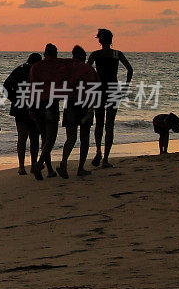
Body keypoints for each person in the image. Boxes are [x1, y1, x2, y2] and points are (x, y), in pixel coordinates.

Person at [88, 28, 133, 168]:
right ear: (111, 40)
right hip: (113, 89)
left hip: (100, 89)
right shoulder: (117, 54)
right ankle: (105, 158)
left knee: (99, 123)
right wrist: (126, 86)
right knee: (110, 125)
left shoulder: (96, 54)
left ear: (101, 40)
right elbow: (129, 69)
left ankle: (98, 152)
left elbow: (86, 70)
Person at [28, 43, 70, 180]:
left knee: (44, 138)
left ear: (45, 53)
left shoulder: (36, 67)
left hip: (37, 103)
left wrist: (31, 107)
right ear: (56, 53)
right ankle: (39, 164)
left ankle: (47, 169)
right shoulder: (59, 65)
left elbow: (32, 87)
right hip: (51, 103)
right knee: (50, 139)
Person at [57, 45, 99, 179]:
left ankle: (64, 162)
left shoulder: (66, 67)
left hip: (70, 103)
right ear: (83, 56)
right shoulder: (89, 69)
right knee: (84, 137)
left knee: (71, 137)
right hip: (85, 104)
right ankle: (80, 168)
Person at [3, 53, 42, 175]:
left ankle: (22, 166)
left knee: (22, 137)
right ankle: (33, 163)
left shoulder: (19, 70)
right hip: (33, 107)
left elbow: (6, 86)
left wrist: (14, 99)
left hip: (20, 107)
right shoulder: (36, 72)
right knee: (34, 137)